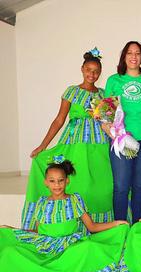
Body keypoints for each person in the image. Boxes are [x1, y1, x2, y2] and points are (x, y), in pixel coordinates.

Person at [0, 159, 128, 272]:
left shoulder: (75, 200)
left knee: (89, 247)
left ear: (67, 181)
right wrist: (12, 230)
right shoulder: (41, 203)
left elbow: (92, 227)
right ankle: (46, 268)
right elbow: (37, 232)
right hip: (45, 246)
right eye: (52, 181)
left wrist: (115, 224)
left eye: (60, 180)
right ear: (46, 182)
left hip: (68, 247)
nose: (57, 185)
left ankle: (56, 269)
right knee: (10, 252)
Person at [22, 49, 113, 231]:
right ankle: (73, 225)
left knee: (101, 185)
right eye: (88, 69)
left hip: (100, 143)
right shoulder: (71, 91)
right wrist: (43, 146)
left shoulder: (104, 94)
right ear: (82, 69)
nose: (92, 74)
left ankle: (99, 226)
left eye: (96, 71)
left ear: (100, 73)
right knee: (78, 180)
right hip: (75, 142)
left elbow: (111, 121)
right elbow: (59, 120)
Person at [104, 41, 141, 224]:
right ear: (124, 56)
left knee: (139, 186)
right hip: (121, 139)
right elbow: (106, 111)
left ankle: (137, 228)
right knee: (121, 186)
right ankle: (119, 229)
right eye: (130, 53)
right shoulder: (114, 80)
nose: (134, 56)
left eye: (138, 53)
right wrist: (108, 128)